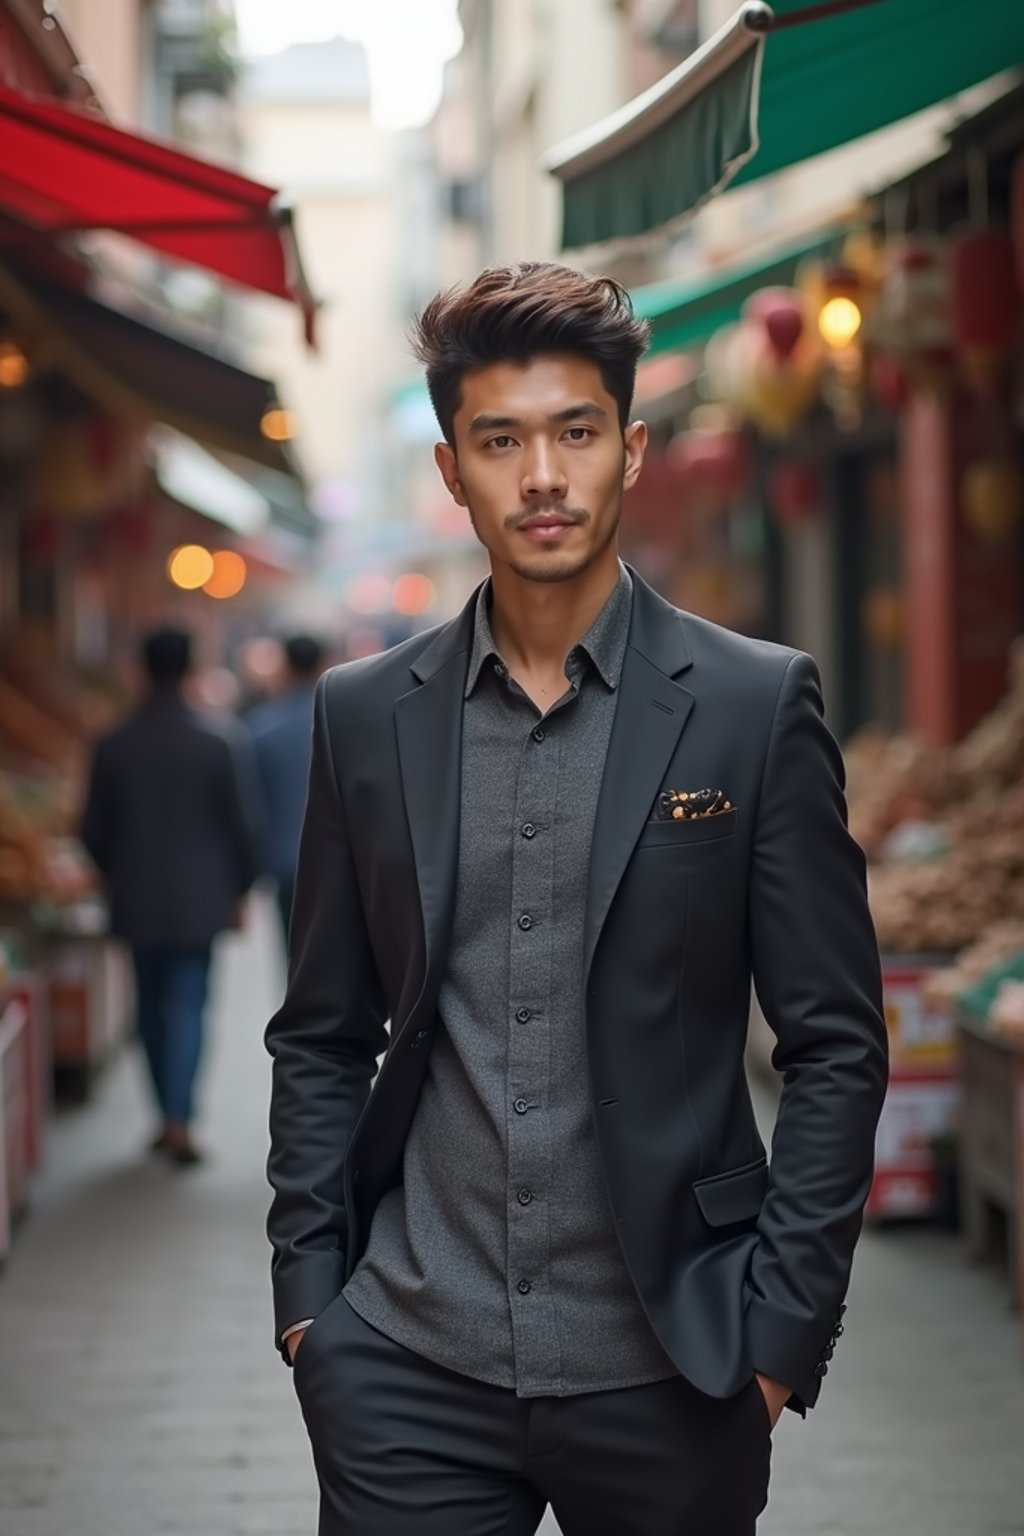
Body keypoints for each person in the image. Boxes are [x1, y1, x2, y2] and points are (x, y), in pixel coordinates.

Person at [265, 263, 888, 1536]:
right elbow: (322, 1028)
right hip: (404, 1358)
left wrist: (778, 1337)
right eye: (500, 440)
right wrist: (309, 1298)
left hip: (675, 1368)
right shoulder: (365, 715)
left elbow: (834, 1043)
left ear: (632, 449)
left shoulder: (752, 706)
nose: (541, 476)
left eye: (575, 433)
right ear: (450, 471)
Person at [82, 625, 261, 1167]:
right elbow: (245, 826)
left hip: (135, 895)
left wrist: (116, 872)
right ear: (190, 669)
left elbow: (92, 830)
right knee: (188, 1007)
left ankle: (166, 1115)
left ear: (140, 669)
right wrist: (240, 888)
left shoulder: (113, 743)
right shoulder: (218, 740)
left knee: (149, 1011)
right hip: (201, 900)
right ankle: (180, 1119)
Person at [247, 634, 326, 941]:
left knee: (293, 951)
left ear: (285, 667)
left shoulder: (261, 727)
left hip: (284, 859)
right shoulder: (346, 720)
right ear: (323, 664)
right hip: (339, 861)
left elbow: (253, 802)